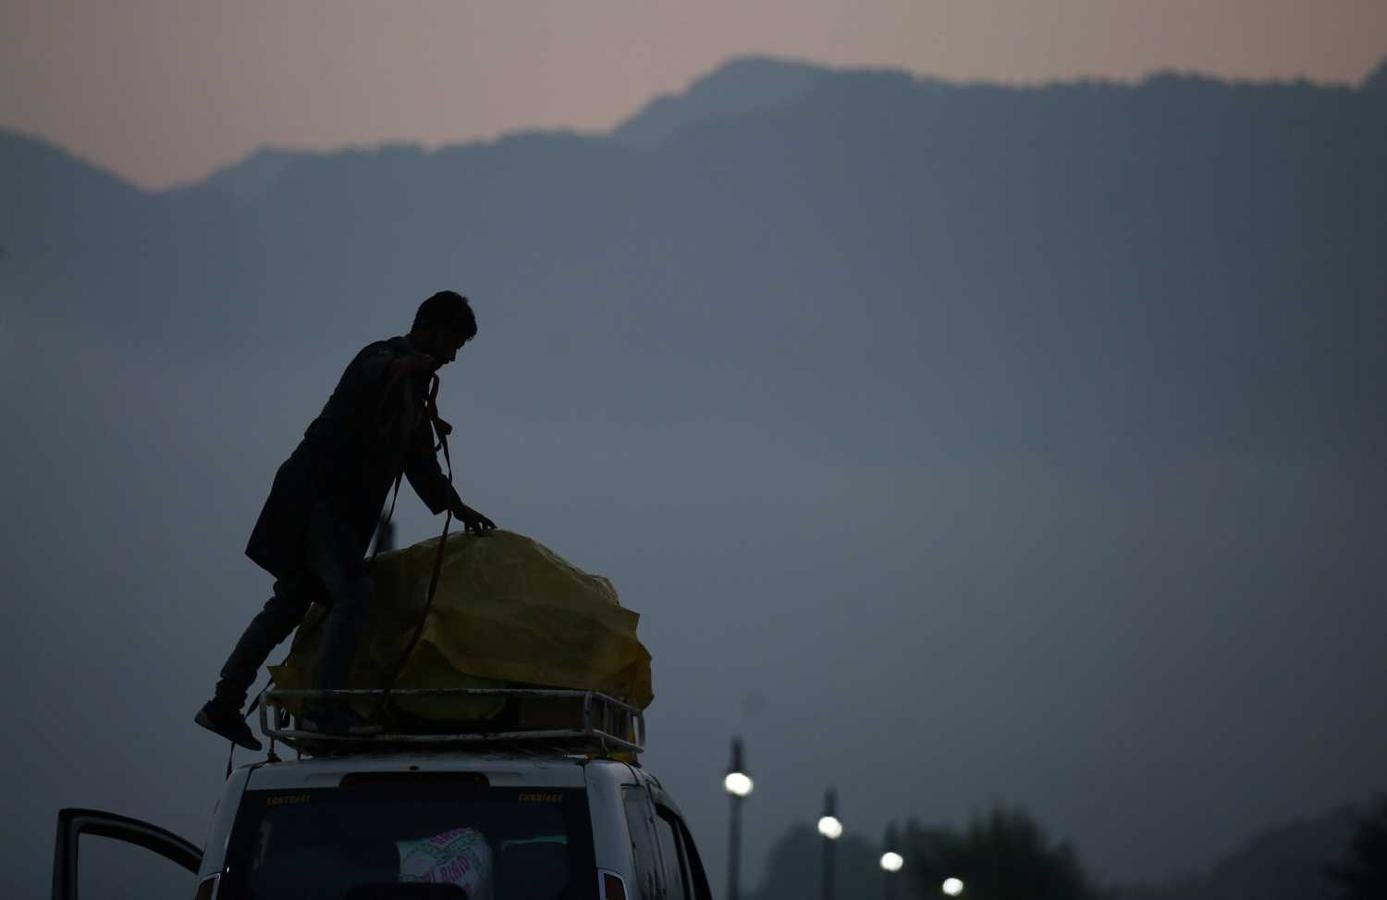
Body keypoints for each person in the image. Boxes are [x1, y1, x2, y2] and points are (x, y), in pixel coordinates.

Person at [195, 290, 496, 749]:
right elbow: (375, 375)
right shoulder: (380, 358)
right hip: (318, 506)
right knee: (354, 595)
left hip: (336, 515)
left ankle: (224, 703)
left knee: (289, 605)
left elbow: (420, 463)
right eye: (453, 343)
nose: (453, 357)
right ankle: (324, 709)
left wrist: (460, 509)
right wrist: (404, 367)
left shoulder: (414, 391)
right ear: (432, 329)